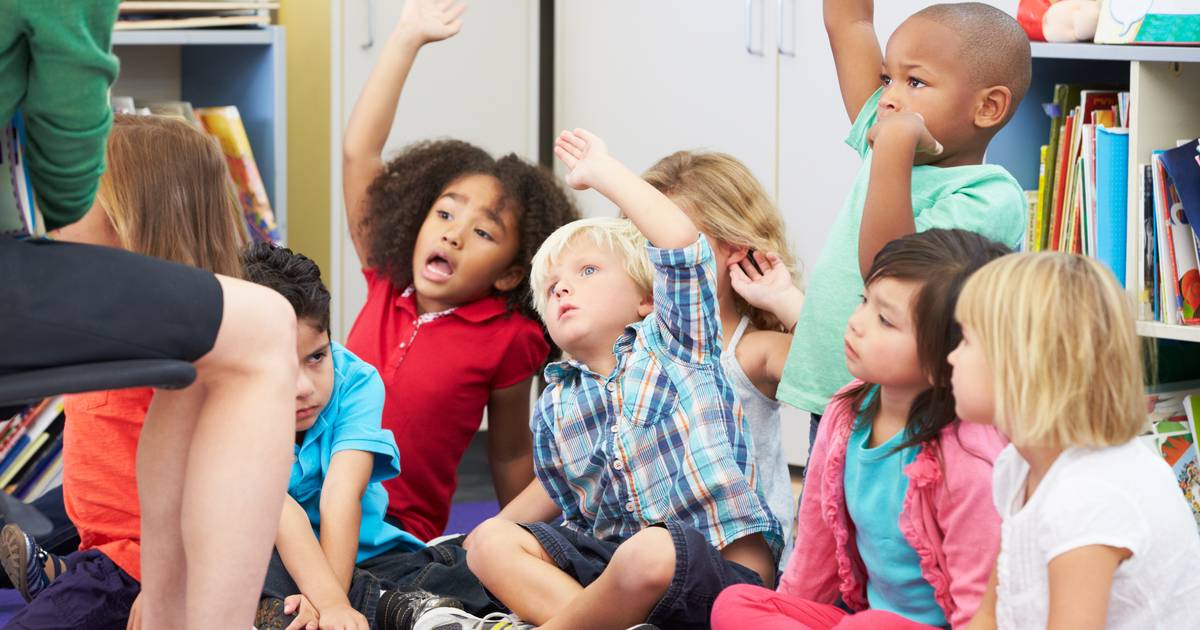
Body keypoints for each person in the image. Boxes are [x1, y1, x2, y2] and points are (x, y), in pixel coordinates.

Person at [0, 113, 289, 630]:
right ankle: (59, 568)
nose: (52, 209)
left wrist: (160, 586)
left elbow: (207, 499)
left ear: (130, 219)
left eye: (74, 191)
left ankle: (64, 575)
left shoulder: (184, 353)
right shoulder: (93, 310)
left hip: (128, 565)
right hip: (97, 531)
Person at [341, 0, 578, 541]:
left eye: (483, 232)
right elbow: (360, 152)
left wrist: (524, 541)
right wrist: (405, 39)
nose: (453, 233)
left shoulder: (510, 338)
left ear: (510, 274)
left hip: (399, 533)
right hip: (314, 504)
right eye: (446, 213)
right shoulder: (386, 283)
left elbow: (512, 451)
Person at [713, 229, 1011, 630]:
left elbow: (979, 610)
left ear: (948, 354)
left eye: (886, 320)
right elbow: (813, 555)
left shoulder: (968, 456)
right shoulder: (845, 411)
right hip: (857, 620)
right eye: (864, 302)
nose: (856, 324)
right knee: (737, 602)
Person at [777, 0, 1031, 450]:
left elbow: (888, 273)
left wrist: (892, 145)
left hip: (918, 413)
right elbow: (848, 20)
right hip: (840, 397)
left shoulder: (990, 195)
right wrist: (892, 140)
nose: (890, 96)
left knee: (900, 520)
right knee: (828, 516)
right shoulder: (889, 133)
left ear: (988, 107)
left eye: (915, 81)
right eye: (886, 79)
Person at [950, 253, 1200, 629]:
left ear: (1025, 365)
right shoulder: (1017, 466)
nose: (951, 357)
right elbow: (990, 615)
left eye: (966, 341)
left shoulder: (1088, 497)